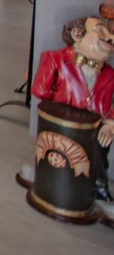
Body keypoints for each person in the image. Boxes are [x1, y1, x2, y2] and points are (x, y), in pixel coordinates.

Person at [30, 15, 114, 202]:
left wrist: (110, 123)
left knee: (100, 149)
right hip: (61, 123)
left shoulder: (110, 73)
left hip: (94, 125)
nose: (110, 38)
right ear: (77, 34)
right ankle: (45, 177)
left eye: (110, 34)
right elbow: (39, 90)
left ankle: (98, 184)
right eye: (101, 32)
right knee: (55, 152)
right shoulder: (54, 59)